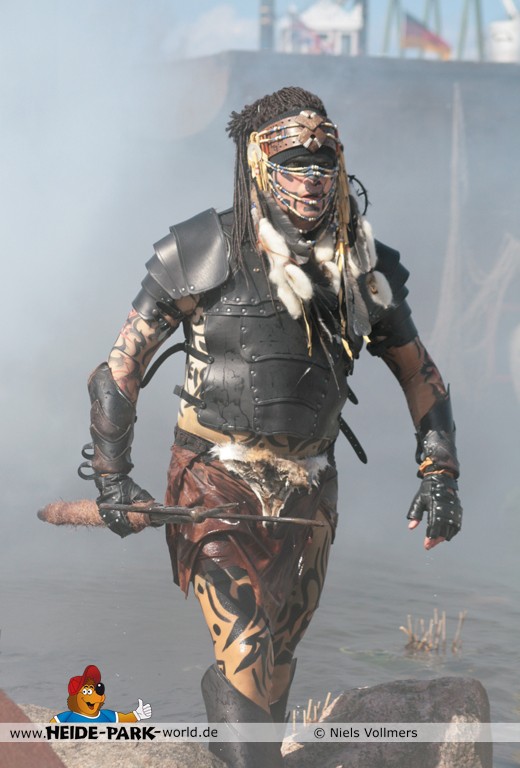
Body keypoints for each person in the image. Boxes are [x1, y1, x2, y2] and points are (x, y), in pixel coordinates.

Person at [81, 87, 462, 768]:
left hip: (310, 491)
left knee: (278, 655)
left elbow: (419, 373)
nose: (312, 180)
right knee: (247, 645)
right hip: (213, 482)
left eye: (324, 165)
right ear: (260, 164)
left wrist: (441, 474)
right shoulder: (201, 248)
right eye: (294, 165)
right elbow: (119, 368)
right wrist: (114, 479)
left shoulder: (360, 265)